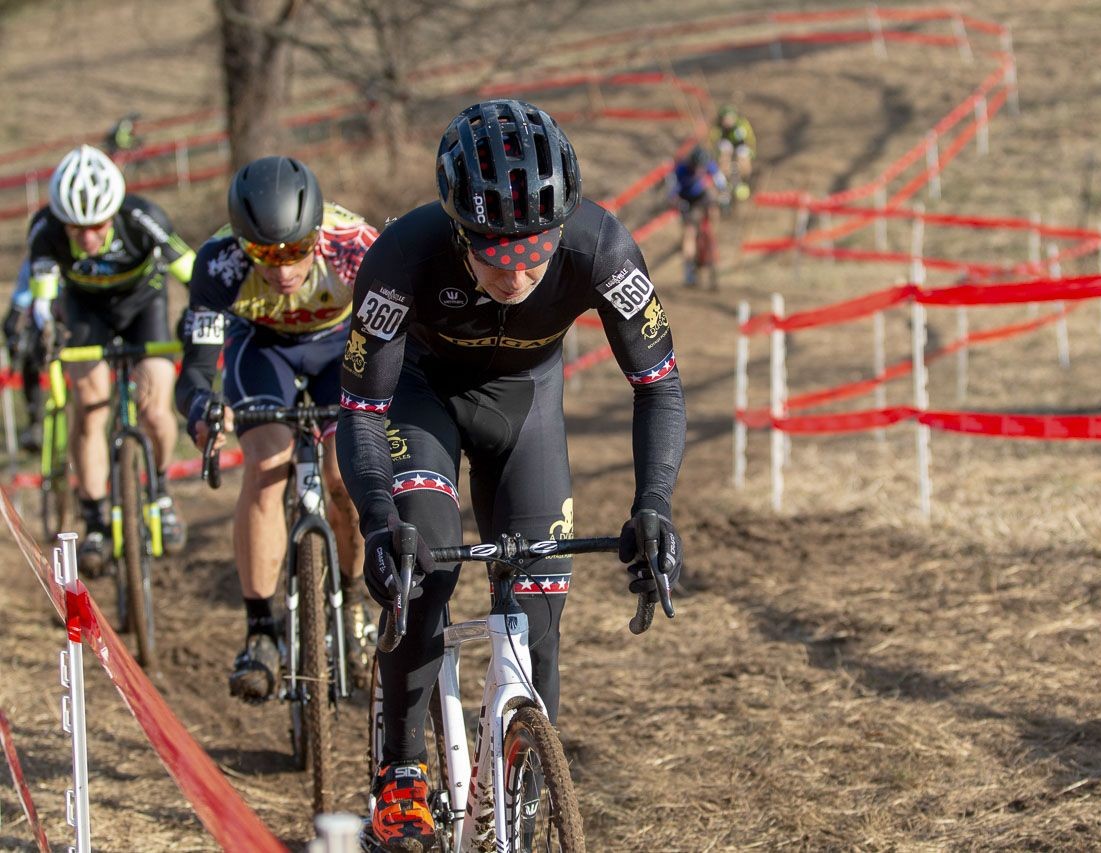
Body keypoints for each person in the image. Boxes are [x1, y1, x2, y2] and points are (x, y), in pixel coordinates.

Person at [337, 99, 686, 850]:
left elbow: (658, 382)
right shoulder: (401, 258)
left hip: (526, 405)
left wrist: (653, 502)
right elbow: (362, 410)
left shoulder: (602, 248)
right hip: (417, 400)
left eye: (537, 250)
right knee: (422, 561)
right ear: (460, 232)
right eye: (497, 254)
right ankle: (400, 773)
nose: (520, 272)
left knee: (539, 608)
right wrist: (375, 521)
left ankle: (521, 798)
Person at [176, 155, 378, 700]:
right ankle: (261, 629)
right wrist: (202, 411)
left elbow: (401, 335)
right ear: (242, 243)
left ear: (316, 234)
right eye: (265, 254)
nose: (283, 269)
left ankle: (353, 597)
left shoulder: (355, 246)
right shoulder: (219, 264)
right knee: (266, 468)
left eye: (294, 250)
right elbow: (196, 369)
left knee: (346, 479)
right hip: (262, 348)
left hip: (342, 348)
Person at [25, 144, 195, 575]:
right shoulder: (44, 229)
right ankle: (96, 513)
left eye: (96, 227)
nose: (85, 239)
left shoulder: (143, 218)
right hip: (86, 312)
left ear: (114, 212)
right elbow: (43, 300)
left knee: (156, 406)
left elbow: (192, 272)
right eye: (75, 229)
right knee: (89, 403)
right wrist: (44, 324)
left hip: (143, 307)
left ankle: (160, 490)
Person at [666, 144, 726, 287]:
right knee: (689, 234)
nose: (699, 171)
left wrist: (724, 193)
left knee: (713, 208)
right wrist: (677, 202)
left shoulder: (708, 163)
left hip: (701, 196)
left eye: (702, 168)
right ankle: (689, 270)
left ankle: (711, 235)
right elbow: (672, 193)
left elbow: (719, 178)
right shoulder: (680, 170)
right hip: (686, 199)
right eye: (697, 167)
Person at [3, 260, 48, 453]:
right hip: (40, 310)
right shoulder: (37, 256)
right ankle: (35, 421)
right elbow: (22, 295)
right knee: (29, 353)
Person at [713, 103, 755, 200]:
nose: (728, 121)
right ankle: (725, 181)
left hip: (741, 145)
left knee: (744, 157)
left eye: (730, 118)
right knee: (724, 154)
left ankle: (744, 180)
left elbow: (750, 139)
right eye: (725, 119)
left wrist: (752, 151)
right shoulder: (718, 128)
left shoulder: (742, 125)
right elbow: (713, 141)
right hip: (726, 145)